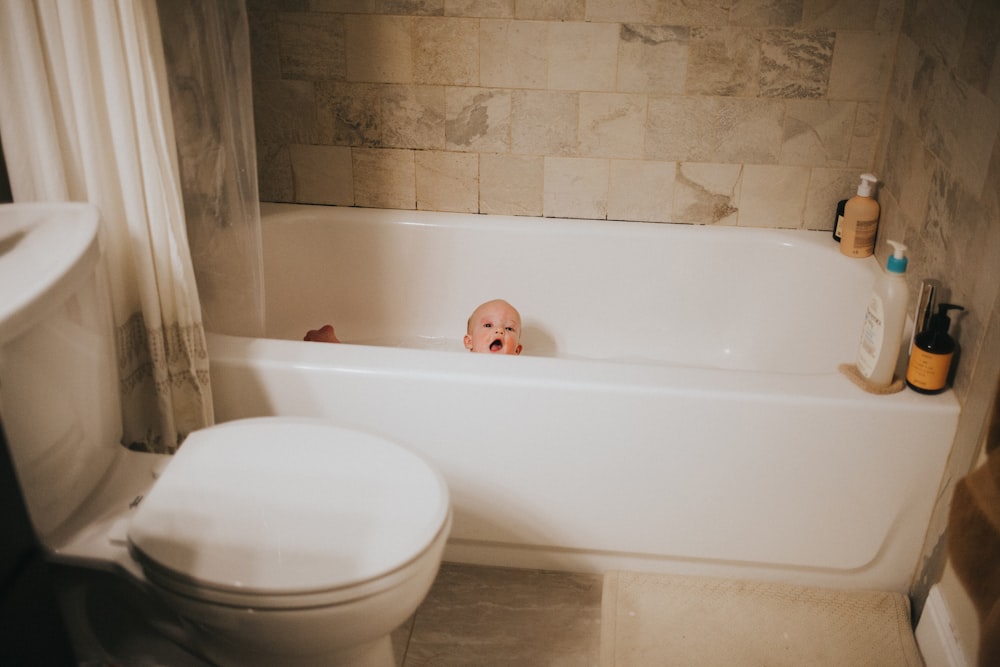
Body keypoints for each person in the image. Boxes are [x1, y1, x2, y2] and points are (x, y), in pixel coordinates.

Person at [304, 299, 524, 355]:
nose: (499, 331)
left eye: (509, 329)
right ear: (469, 342)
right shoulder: (462, 362)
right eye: (488, 325)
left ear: (518, 351)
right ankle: (333, 348)